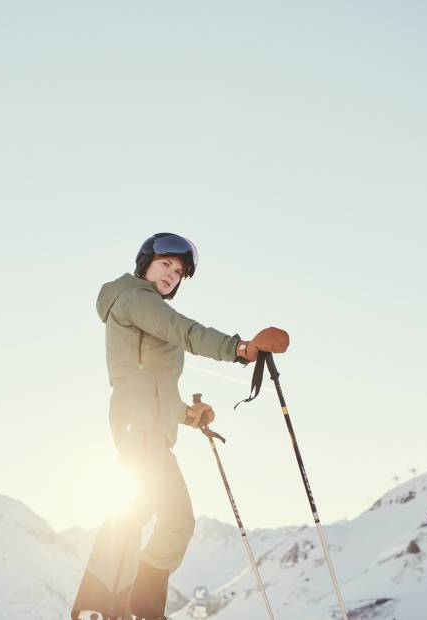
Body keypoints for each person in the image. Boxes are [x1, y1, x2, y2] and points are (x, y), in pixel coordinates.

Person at [71, 232, 289, 620]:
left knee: (131, 517)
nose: (173, 274)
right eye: (166, 264)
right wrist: (241, 349)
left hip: (141, 426)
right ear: (146, 263)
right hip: (138, 431)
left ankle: (102, 606)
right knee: (176, 520)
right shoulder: (137, 298)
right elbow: (184, 332)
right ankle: (138, 609)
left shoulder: (143, 308)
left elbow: (152, 385)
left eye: (179, 271)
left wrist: (189, 415)